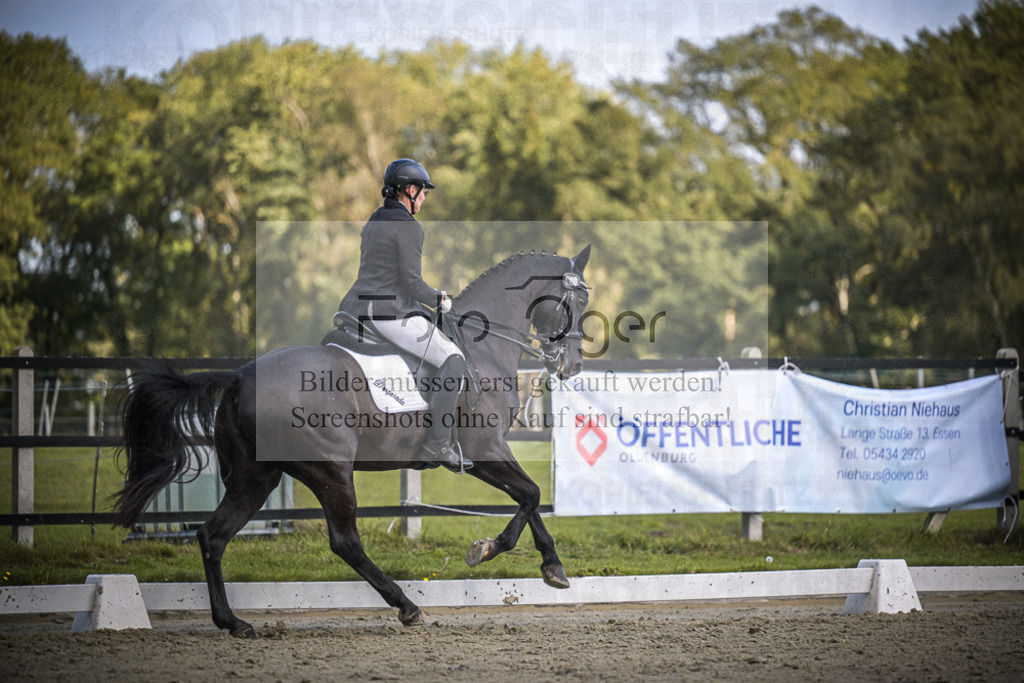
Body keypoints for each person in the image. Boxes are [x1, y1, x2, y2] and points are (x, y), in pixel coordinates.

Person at [339, 159, 471, 472]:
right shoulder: (409, 227)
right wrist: (439, 299)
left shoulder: (374, 220)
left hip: (356, 307)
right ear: (410, 190)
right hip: (388, 313)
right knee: (454, 359)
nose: (424, 197)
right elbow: (411, 283)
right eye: (423, 191)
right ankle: (438, 444)